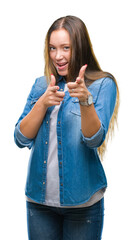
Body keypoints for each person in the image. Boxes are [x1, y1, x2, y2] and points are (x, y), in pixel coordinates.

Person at [14, 15, 119, 240]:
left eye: (65, 48)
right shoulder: (41, 85)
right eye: (52, 48)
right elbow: (21, 138)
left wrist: (85, 101)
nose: (58, 56)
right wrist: (42, 102)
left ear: (79, 47)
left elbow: (94, 140)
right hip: (39, 201)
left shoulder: (102, 85)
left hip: (82, 204)